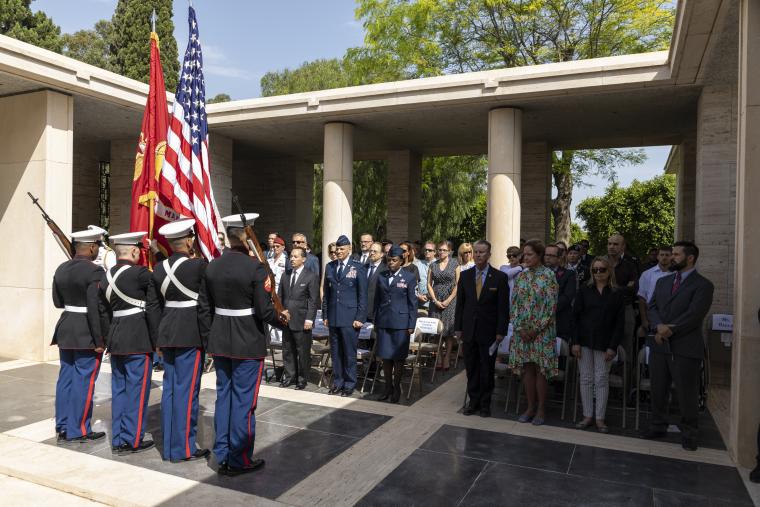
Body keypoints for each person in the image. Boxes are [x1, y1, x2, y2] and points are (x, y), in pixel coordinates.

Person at [197, 213, 281, 476]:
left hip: (221, 342)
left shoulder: (213, 266)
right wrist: (286, 322)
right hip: (247, 343)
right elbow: (264, 311)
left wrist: (210, 337)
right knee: (244, 403)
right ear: (247, 236)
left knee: (224, 399)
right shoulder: (254, 268)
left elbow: (203, 309)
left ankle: (221, 453)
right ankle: (239, 458)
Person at [146, 219, 209, 463]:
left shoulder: (159, 269)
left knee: (171, 391)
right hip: (190, 334)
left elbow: (153, 307)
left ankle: (171, 446)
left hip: (167, 333)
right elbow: (204, 306)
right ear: (189, 241)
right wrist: (207, 337)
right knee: (187, 393)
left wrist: (157, 338)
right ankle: (183, 448)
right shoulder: (198, 267)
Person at [642, 241, 714, 451]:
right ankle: (658, 425)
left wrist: (670, 329)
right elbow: (652, 306)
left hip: (685, 346)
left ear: (690, 258)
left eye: (675, 254)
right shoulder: (664, 282)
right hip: (660, 344)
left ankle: (690, 433)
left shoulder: (703, 285)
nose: (670, 257)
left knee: (686, 392)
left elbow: (694, 314)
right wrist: (658, 326)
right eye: (671, 253)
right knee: (658, 388)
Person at [96, 231, 155, 454]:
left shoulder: (106, 276)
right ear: (133, 250)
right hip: (138, 338)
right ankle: (133, 439)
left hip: (116, 337)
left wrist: (107, 336)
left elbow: (103, 312)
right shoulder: (141, 275)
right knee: (137, 391)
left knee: (119, 390)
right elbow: (153, 307)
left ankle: (119, 438)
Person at [52, 226, 107, 444]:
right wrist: (99, 339)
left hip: (66, 327)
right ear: (92, 247)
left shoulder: (61, 268)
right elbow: (96, 308)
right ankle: (79, 429)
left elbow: (57, 302)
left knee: (66, 378)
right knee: (84, 380)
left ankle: (63, 424)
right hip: (86, 331)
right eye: (98, 246)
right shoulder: (95, 272)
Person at [455, 240, 509, 417]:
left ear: (489, 254)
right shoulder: (465, 276)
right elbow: (460, 305)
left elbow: (503, 308)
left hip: (489, 331)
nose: (478, 255)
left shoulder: (499, 277)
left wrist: (501, 331)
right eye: (476, 252)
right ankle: (474, 401)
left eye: (482, 252)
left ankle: (485, 404)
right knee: (471, 368)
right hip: (469, 330)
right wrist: (458, 328)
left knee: (487, 369)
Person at [571, 256, 625, 433]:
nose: (598, 273)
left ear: (609, 271)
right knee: (586, 378)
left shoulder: (617, 293)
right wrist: (575, 342)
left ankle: (600, 418)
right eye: (595, 270)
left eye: (602, 269)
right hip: (584, 341)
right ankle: (587, 415)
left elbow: (619, 323)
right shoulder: (584, 291)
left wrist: (613, 346)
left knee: (601, 379)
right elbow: (575, 318)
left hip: (605, 343)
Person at [509, 239, 558, 426]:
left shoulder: (548, 276)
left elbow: (551, 307)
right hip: (522, 332)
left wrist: (535, 329)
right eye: (524, 254)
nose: (525, 257)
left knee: (540, 371)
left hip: (542, 332)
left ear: (539, 256)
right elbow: (514, 305)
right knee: (527, 370)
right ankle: (529, 407)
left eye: (529, 254)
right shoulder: (521, 276)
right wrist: (520, 328)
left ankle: (541, 410)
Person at [322, 235, 368, 397]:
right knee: (336, 352)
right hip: (334, 317)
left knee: (349, 352)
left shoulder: (358, 267)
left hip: (350, 318)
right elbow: (327, 295)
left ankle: (349, 383)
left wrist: (360, 317)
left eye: (342, 249)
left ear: (349, 249)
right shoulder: (330, 267)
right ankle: (338, 381)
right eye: (337, 249)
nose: (339, 251)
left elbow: (363, 295)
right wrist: (325, 315)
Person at [373, 246, 417, 403]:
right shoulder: (382, 276)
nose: (391, 263)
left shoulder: (409, 277)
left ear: (401, 261)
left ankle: (397, 388)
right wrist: (376, 321)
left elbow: (412, 303)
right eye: (389, 260)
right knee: (385, 357)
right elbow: (377, 301)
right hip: (384, 321)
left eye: (394, 260)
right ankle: (387, 388)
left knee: (398, 358)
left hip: (401, 323)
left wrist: (411, 323)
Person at [278, 247, 320, 390]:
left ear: (304, 259)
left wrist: (310, 319)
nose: (292, 259)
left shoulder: (311, 276)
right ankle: (290, 376)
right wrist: (281, 311)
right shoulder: (285, 275)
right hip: (286, 319)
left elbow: (313, 300)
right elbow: (280, 297)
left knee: (302, 351)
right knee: (288, 350)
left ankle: (302, 379)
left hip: (302, 320)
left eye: (296, 256)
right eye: (291, 256)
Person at [427, 240, 459, 371]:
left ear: (450, 251)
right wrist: (435, 300)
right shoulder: (433, 265)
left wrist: (449, 300)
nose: (441, 252)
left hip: (450, 300)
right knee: (437, 331)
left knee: (449, 332)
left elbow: (458, 284)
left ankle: (447, 358)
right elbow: (429, 284)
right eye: (439, 250)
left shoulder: (455, 263)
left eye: (444, 250)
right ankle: (439, 357)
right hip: (436, 299)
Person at [544, 244, 577, 344]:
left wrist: (547, 310)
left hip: (559, 323)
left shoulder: (569, 274)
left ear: (559, 258)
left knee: (559, 356)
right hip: (538, 325)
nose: (548, 258)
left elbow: (567, 297)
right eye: (546, 255)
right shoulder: (537, 274)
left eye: (551, 255)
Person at [637, 246, 673, 335]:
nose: (664, 257)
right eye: (662, 255)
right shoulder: (646, 274)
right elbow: (642, 299)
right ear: (658, 256)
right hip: (652, 315)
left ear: (672, 257)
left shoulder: (677, 274)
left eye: (667, 255)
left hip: (671, 315)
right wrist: (644, 320)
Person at [365, 242, 388, 321]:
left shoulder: (386, 270)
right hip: (361, 314)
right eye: (370, 251)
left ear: (382, 254)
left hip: (377, 314)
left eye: (375, 251)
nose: (371, 253)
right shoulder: (362, 268)